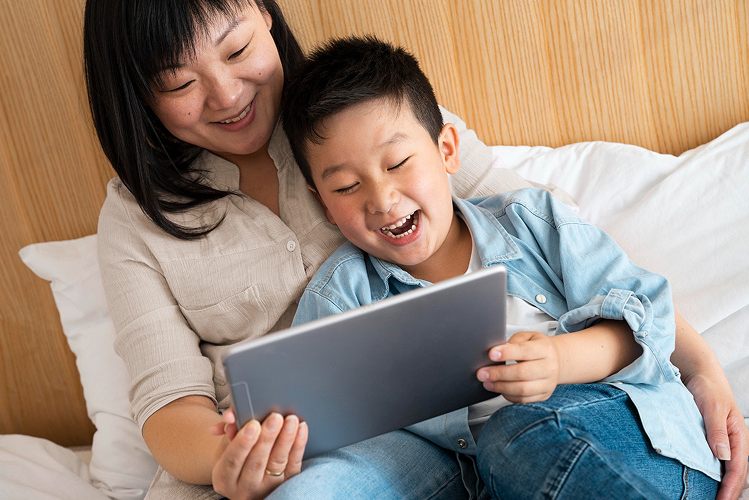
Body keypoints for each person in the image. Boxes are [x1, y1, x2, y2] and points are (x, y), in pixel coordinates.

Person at [80, 0, 747, 498]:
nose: (226, 95)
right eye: (178, 82)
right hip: (320, 452)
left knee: (531, 438)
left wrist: (700, 365)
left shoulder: (380, 116)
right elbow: (168, 402)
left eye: (235, 50)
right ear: (137, 94)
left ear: (266, 18)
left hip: (529, 416)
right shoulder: (139, 221)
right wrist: (233, 461)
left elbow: (574, 256)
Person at [277, 35, 732, 499]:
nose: (381, 199)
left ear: (447, 150)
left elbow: (646, 323)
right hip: (487, 476)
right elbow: (317, 424)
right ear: (324, 207)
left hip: (625, 440)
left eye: (397, 163)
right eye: (348, 187)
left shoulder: (532, 221)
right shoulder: (342, 294)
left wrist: (557, 361)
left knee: (515, 436)